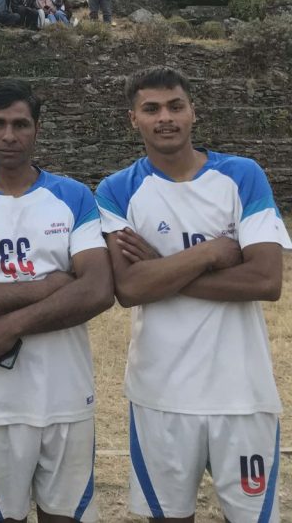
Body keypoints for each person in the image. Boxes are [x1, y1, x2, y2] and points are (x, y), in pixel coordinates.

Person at [95, 66, 290, 523]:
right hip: (160, 394)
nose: (165, 117)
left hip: (242, 394)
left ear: (192, 112)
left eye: (175, 106)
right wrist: (211, 253)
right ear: (133, 119)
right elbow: (129, 288)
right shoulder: (117, 190)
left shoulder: (242, 175)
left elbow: (266, 281)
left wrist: (161, 268)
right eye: (151, 109)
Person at [0, 78, 113, 523]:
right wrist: (50, 285)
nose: (9, 135)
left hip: (67, 392)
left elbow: (96, 289)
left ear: (37, 128)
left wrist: (9, 325)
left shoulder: (72, 195)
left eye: (20, 124)